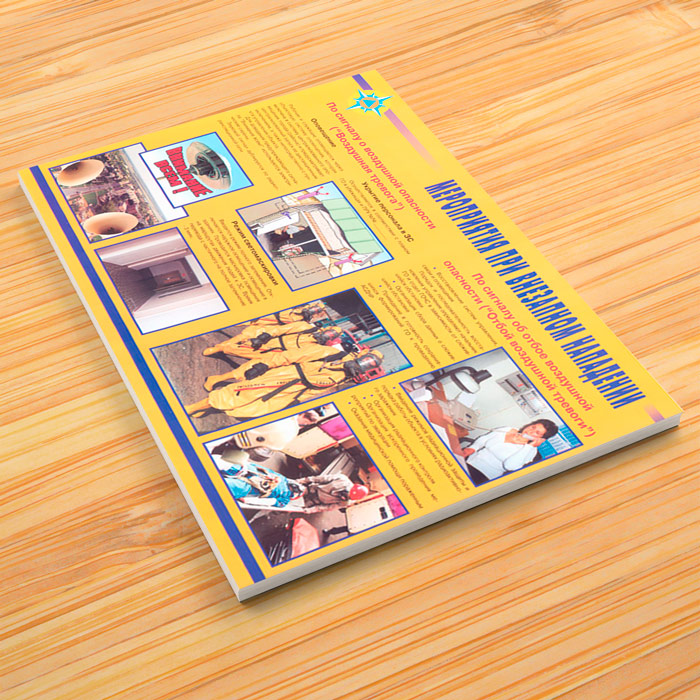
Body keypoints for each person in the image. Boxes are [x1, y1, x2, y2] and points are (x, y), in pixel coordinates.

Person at [462, 420, 559, 486]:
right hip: (468, 461)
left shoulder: (530, 451)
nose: (530, 431)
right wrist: (471, 449)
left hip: (482, 475)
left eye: (537, 433)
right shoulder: (507, 429)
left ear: (541, 439)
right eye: (533, 427)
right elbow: (484, 439)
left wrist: (529, 446)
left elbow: (510, 466)